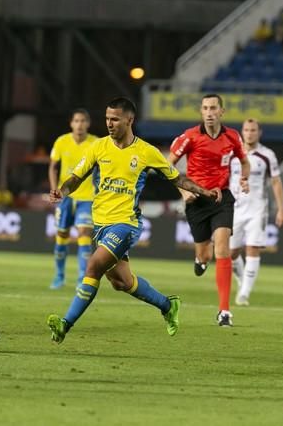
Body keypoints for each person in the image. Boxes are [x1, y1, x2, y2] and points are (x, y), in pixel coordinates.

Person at [46, 97, 220, 344]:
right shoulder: (98, 147)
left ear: (129, 120)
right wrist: (62, 191)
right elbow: (76, 177)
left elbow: (177, 178)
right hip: (101, 225)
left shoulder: (146, 152)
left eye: (115, 119)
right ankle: (168, 305)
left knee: (92, 266)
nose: (109, 123)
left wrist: (205, 191)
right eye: (107, 118)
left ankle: (65, 324)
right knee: (121, 282)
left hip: (126, 223)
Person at [168, 94, 250, 327]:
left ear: (221, 111)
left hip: (221, 197)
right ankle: (200, 258)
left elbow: (244, 162)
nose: (210, 112)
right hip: (196, 201)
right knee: (205, 253)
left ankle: (224, 311)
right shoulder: (190, 136)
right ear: (201, 112)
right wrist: (184, 192)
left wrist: (244, 179)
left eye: (213, 108)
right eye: (205, 108)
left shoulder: (232, 137)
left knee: (222, 248)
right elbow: (167, 165)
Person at [230, 119, 283, 306]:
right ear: (242, 132)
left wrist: (281, 209)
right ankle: (243, 281)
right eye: (246, 130)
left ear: (259, 133)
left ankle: (244, 293)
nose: (249, 133)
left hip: (257, 208)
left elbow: (276, 182)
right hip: (234, 208)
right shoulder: (232, 152)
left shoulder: (267, 155)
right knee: (230, 252)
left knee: (252, 248)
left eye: (253, 130)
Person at [48, 108, 98, 289]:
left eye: (83, 121)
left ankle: (81, 279)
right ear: (71, 123)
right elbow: (53, 167)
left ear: (88, 124)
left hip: (88, 198)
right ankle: (59, 276)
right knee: (62, 235)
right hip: (66, 197)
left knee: (84, 234)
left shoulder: (96, 143)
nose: (80, 124)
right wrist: (54, 189)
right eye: (76, 121)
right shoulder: (62, 141)